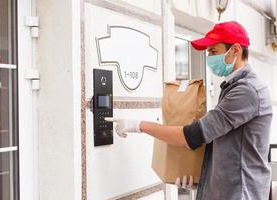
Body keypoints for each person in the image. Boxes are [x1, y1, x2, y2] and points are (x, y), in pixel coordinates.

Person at [105, 21, 273, 200]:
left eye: (213, 51)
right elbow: (227, 150)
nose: (209, 57)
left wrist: (138, 125)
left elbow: (192, 136)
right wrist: (200, 181)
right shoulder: (233, 87)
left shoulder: (247, 91)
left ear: (235, 50)